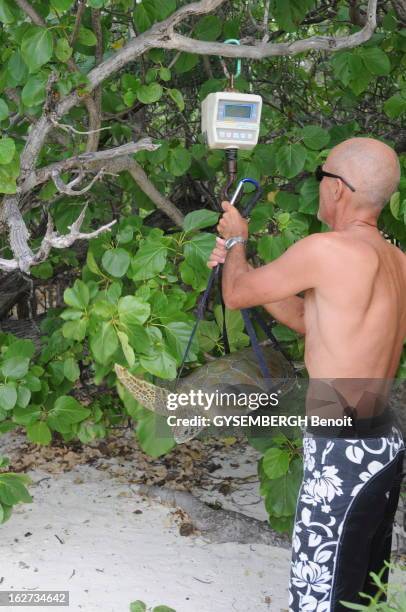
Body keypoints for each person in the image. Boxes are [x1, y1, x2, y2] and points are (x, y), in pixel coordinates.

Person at [207, 137, 406, 611]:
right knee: (363, 589)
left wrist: (235, 240)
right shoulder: (397, 261)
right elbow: (309, 320)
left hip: (342, 452)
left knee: (318, 594)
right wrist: (245, 266)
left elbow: (234, 296)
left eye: (321, 178)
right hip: (382, 442)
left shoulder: (326, 249)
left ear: (338, 189)